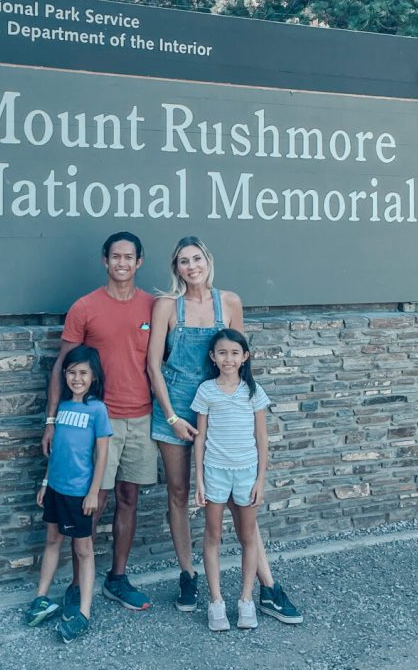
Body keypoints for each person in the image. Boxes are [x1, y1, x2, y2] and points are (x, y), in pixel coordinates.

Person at [148, 235, 302, 623]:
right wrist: (170, 416)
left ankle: (267, 586)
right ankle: (188, 575)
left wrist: (246, 407)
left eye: (196, 258)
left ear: (207, 261)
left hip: (221, 407)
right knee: (180, 492)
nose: (191, 266)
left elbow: (238, 355)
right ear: (176, 268)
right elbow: (153, 366)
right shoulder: (167, 305)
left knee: (239, 501)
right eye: (183, 261)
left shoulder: (229, 302)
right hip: (177, 410)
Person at [42, 231, 157, 616]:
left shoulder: (154, 307)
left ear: (139, 262)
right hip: (94, 424)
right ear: (104, 261)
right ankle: (78, 583)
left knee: (129, 498)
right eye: (115, 256)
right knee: (93, 502)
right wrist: (52, 420)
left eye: (129, 257)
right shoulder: (85, 307)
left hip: (140, 417)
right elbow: (62, 365)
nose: (121, 263)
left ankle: (117, 579)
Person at [26, 345, 112, 643]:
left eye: (83, 373)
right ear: (65, 375)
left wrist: (93, 493)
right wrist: (46, 482)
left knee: (83, 550)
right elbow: (57, 452)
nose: (77, 378)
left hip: (79, 493)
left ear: (94, 377)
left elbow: (101, 456)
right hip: (56, 489)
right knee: (52, 541)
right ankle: (41, 598)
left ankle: (84, 612)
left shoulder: (97, 410)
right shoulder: (61, 407)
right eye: (72, 372)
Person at [193, 329, 270, 631]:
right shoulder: (206, 391)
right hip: (215, 471)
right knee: (213, 536)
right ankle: (216, 602)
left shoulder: (253, 392)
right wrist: (199, 480)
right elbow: (199, 440)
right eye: (222, 352)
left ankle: (246, 600)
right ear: (213, 357)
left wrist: (260, 480)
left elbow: (262, 439)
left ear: (245, 357)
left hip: (246, 472)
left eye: (235, 353)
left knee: (247, 536)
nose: (228, 358)